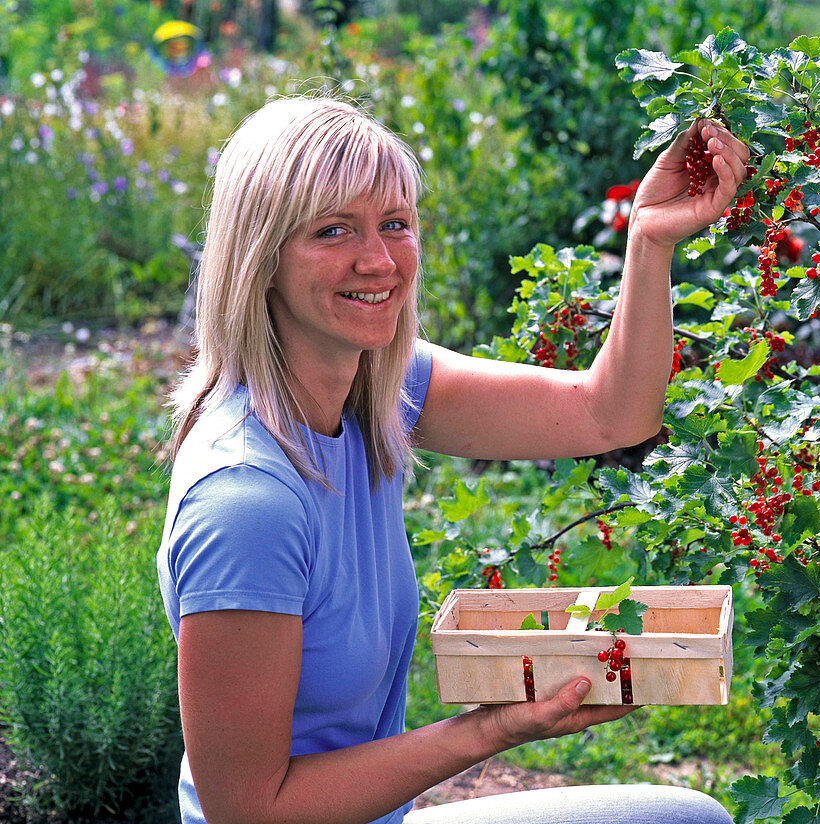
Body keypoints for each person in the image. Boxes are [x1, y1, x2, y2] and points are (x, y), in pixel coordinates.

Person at [156, 94, 749, 824]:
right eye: (332, 229)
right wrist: (492, 730)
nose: (376, 261)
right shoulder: (246, 501)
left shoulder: (382, 386)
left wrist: (650, 241)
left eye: (395, 224)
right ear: (262, 257)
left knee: (687, 820)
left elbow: (611, 414)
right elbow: (249, 812)